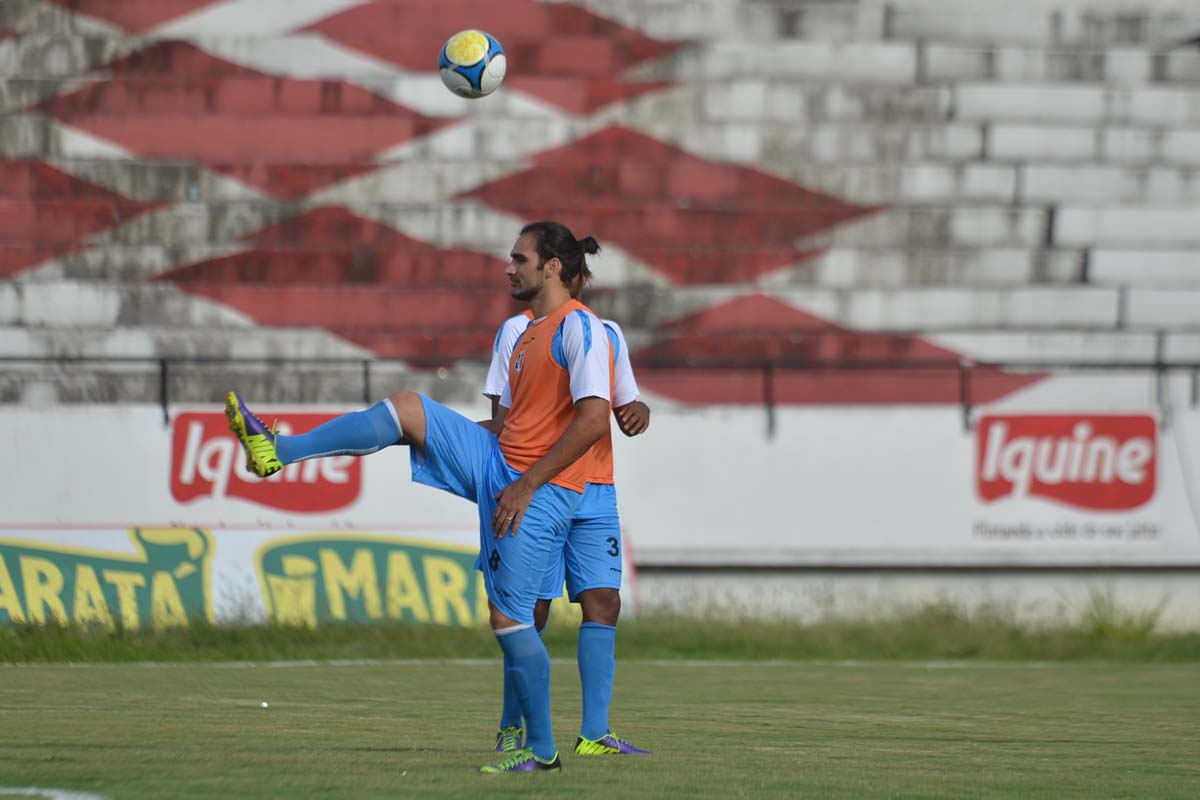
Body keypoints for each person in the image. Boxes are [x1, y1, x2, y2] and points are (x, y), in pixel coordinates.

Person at [225, 221, 612, 774]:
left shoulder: (580, 328)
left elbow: (595, 420)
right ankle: (278, 450)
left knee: (511, 620)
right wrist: (439, 432)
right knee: (408, 408)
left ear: (551, 266)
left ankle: (543, 751)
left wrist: (526, 484)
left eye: (519, 259)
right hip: (502, 462)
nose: (509, 267)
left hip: (539, 486)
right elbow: (509, 426)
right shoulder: (526, 332)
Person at [482, 280, 651, 756]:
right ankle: (511, 726)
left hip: (596, 490)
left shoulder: (605, 331)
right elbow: (503, 419)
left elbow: (624, 403)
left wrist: (639, 412)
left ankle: (595, 733)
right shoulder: (516, 330)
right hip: (543, 486)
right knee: (530, 610)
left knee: (604, 602)